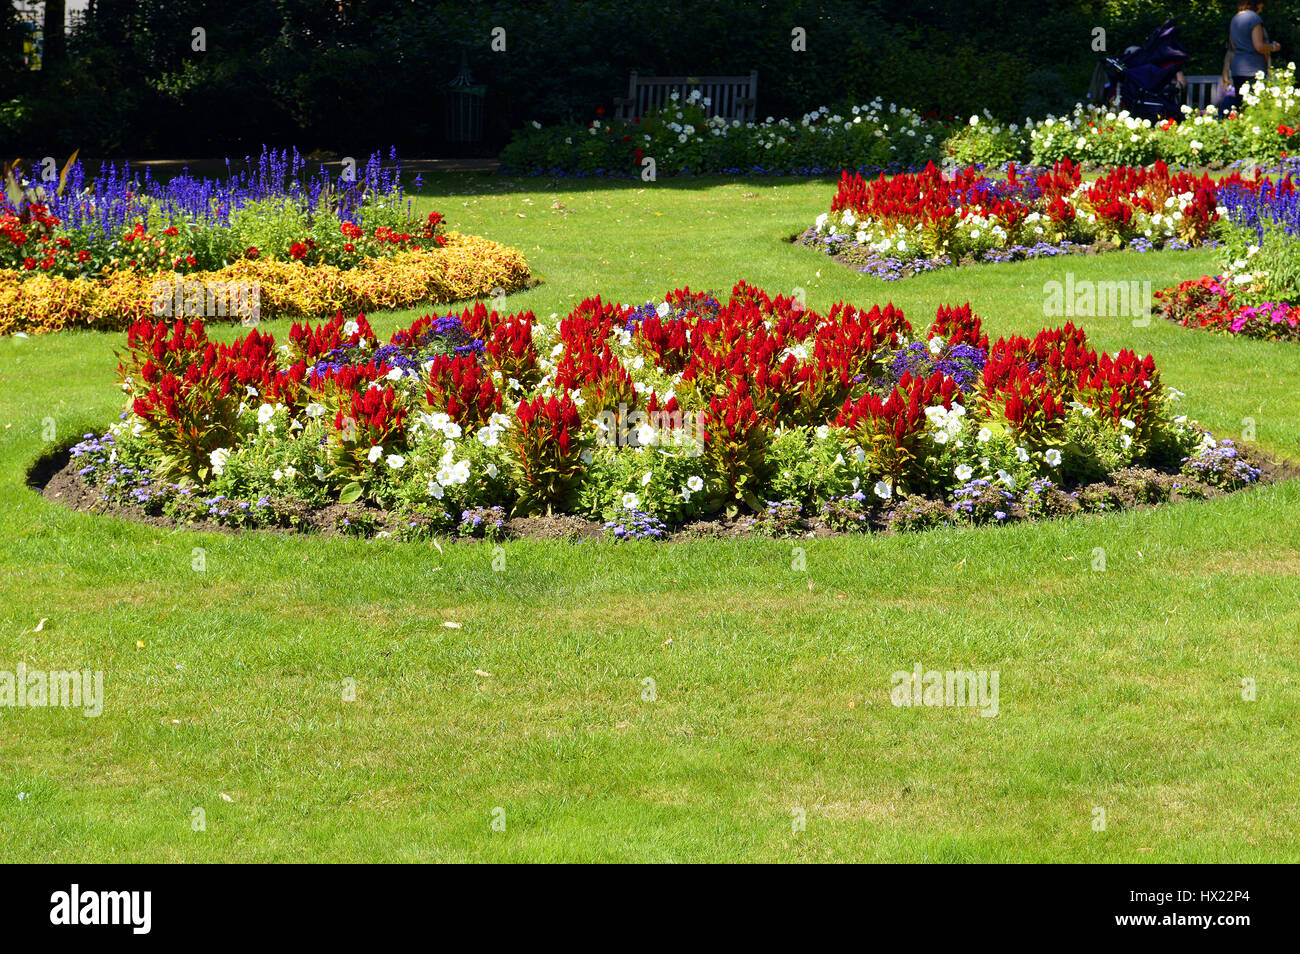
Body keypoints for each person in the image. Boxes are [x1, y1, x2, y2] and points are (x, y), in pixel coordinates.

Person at [1226, 0, 1281, 110]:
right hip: (1253, 69)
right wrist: (1274, 47)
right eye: (1262, 5)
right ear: (1256, 3)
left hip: (1237, 69)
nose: (1261, 9)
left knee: (1241, 108)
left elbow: (1233, 45)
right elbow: (1259, 46)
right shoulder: (1254, 19)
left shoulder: (1235, 18)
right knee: (1255, 108)